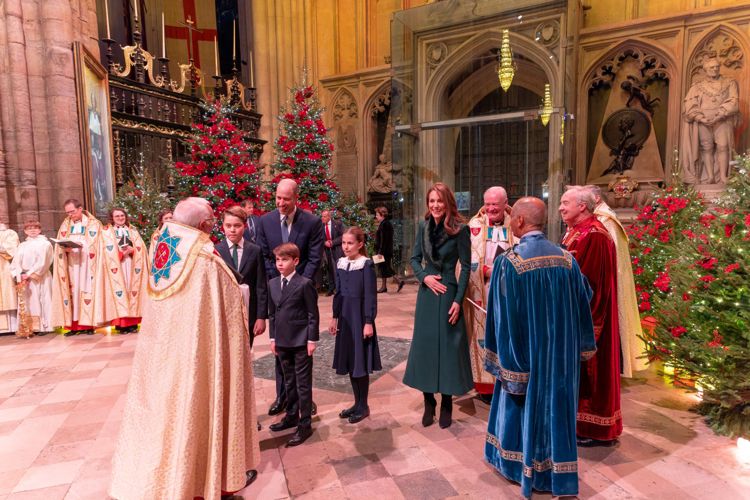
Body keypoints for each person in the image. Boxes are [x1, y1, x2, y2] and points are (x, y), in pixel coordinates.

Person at [109, 197, 260, 500]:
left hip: (161, 352)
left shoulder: (161, 246)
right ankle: (193, 482)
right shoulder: (204, 259)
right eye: (213, 220)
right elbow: (227, 306)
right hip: (194, 354)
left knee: (162, 409)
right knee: (193, 406)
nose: (215, 224)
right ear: (204, 225)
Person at [484, 197, 597, 498]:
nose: (509, 222)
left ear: (520, 221)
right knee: (557, 413)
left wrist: (509, 367)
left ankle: (518, 467)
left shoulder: (509, 263)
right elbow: (584, 299)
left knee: (523, 412)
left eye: (511, 218)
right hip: (561, 360)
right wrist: (582, 346)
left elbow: (503, 320)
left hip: (527, 360)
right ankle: (557, 474)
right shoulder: (567, 259)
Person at [403, 183, 473, 429]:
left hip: (448, 294)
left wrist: (458, 300)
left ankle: (446, 403)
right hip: (427, 294)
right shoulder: (423, 227)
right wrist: (424, 277)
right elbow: (413, 259)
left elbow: (465, 266)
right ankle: (428, 401)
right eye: (431, 201)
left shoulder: (460, 230)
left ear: (448, 202)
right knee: (425, 349)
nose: (435, 205)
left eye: (439, 201)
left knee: (448, 349)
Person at [560, 186, 622, 446]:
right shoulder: (577, 231)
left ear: (582, 206)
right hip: (575, 317)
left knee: (592, 378)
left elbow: (592, 287)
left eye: (565, 203)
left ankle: (592, 428)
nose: (561, 207)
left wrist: (583, 328)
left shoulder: (595, 235)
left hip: (589, 322)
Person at [257, 179, 324, 416]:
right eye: (277, 198)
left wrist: (297, 284)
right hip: (278, 291)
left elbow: (315, 257)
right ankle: (282, 397)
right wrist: (279, 283)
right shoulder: (265, 221)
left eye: (286, 199)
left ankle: (304, 400)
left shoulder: (312, 222)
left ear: (296, 197)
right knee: (280, 347)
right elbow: (266, 257)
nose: (280, 203)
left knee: (300, 349)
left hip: (302, 291)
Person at [586, 185, 648, 377]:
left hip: (606, 284)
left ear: (595, 199)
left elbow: (607, 259)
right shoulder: (599, 219)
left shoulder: (606, 221)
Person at [464, 186, 514, 403]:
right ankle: (485, 387)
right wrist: (483, 271)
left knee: (508, 334)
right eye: (488, 204)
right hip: (481, 289)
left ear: (505, 203)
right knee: (483, 336)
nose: (491, 208)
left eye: (496, 204)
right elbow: (463, 261)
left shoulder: (518, 223)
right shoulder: (474, 226)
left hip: (509, 291)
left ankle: (510, 380)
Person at [267, 242, 319, 447]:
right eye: (278, 260)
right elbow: (272, 314)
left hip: (300, 341)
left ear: (295, 261)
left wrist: (311, 340)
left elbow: (312, 314)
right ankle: (291, 415)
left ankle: (305, 424)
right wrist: (273, 339)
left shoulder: (304, 283)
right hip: (282, 341)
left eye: (285, 259)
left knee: (303, 384)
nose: (280, 264)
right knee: (288, 381)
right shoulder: (272, 284)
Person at [329, 227, 381, 424]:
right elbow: (338, 292)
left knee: (360, 363)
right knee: (351, 361)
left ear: (360, 244)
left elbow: (370, 295)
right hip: (345, 318)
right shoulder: (341, 263)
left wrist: (368, 321)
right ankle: (356, 403)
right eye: (343, 243)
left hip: (359, 318)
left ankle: (364, 405)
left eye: (350, 243)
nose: (345, 246)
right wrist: (334, 317)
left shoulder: (366, 265)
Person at [51, 199, 125, 336]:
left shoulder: (94, 224)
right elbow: (60, 244)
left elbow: (99, 245)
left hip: (87, 264)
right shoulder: (65, 225)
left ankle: (88, 325)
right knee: (72, 293)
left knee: (87, 293)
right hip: (71, 265)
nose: (70, 215)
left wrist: (82, 246)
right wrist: (65, 248)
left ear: (80, 209)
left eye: (72, 211)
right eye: (67, 212)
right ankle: (73, 327)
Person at [681, 57, 740, 185]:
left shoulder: (730, 82)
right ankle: (710, 176)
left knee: (723, 146)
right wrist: (700, 118)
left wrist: (720, 115)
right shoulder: (697, 86)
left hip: (722, 119)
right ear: (705, 69)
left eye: (717, 67)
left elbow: (734, 101)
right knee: (706, 148)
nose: (715, 69)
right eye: (711, 67)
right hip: (703, 120)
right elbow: (690, 104)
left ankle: (723, 177)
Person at [216, 206, 268, 348]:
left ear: (244, 227)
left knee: (245, 351)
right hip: (224, 314)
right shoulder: (215, 251)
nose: (232, 229)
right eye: (228, 225)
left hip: (248, 313)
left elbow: (261, 285)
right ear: (223, 227)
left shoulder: (255, 250)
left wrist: (261, 316)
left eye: (237, 226)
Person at [105, 208, 148, 334]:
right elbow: (104, 251)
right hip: (117, 266)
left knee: (132, 291)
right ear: (112, 218)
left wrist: (132, 251)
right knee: (120, 292)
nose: (120, 218)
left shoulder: (132, 230)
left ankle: (133, 323)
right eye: (117, 216)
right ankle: (121, 324)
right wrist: (120, 254)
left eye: (122, 215)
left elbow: (142, 249)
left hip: (132, 264)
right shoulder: (107, 232)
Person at [10, 220, 53, 336]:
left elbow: (44, 261)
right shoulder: (22, 245)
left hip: (40, 276)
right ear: (25, 231)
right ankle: (29, 327)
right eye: (29, 228)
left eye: (35, 228)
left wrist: (29, 274)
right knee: (29, 302)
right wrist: (19, 274)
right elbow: (15, 263)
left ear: (40, 229)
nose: (32, 230)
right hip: (25, 278)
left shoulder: (45, 244)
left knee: (41, 300)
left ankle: (44, 326)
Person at [373, 206, 404, 294]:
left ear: (382, 215)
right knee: (383, 268)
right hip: (384, 251)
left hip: (384, 252)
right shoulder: (384, 223)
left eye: (377, 215)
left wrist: (380, 252)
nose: (376, 217)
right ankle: (384, 287)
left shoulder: (385, 224)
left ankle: (398, 281)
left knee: (386, 268)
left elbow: (384, 240)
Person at [0, 221, 19, 334]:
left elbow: (11, 249)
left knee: (7, 294)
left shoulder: (9, 233)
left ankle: (12, 327)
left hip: (4, 267)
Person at [319, 209, 344, 296]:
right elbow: (318, 238)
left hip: (336, 249)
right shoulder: (320, 226)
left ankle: (339, 288)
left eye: (324, 216)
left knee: (337, 268)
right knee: (329, 269)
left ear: (329, 217)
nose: (322, 218)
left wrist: (333, 242)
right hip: (326, 251)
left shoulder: (338, 224)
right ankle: (331, 288)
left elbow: (342, 236)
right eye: (322, 216)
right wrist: (324, 242)